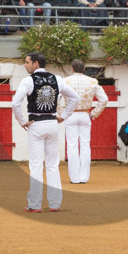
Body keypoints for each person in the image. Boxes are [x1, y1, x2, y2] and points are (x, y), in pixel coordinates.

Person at [12, 51, 79, 212]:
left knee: (36, 165)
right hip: (52, 123)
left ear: (36, 64)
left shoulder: (28, 81)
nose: (25, 64)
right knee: (52, 165)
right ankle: (55, 204)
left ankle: (35, 204)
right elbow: (75, 98)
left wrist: (22, 122)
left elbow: (15, 103)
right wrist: (63, 116)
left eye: (27, 62)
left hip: (36, 124)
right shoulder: (57, 79)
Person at [60, 59, 109, 184]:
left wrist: (63, 114)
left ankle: (74, 178)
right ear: (84, 69)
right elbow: (104, 99)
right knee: (85, 145)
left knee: (72, 146)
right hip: (85, 114)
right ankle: (84, 177)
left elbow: (56, 100)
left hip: (71, 114)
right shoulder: (92, 81)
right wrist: (94, 113)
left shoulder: (65, 81)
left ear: (72, 69)